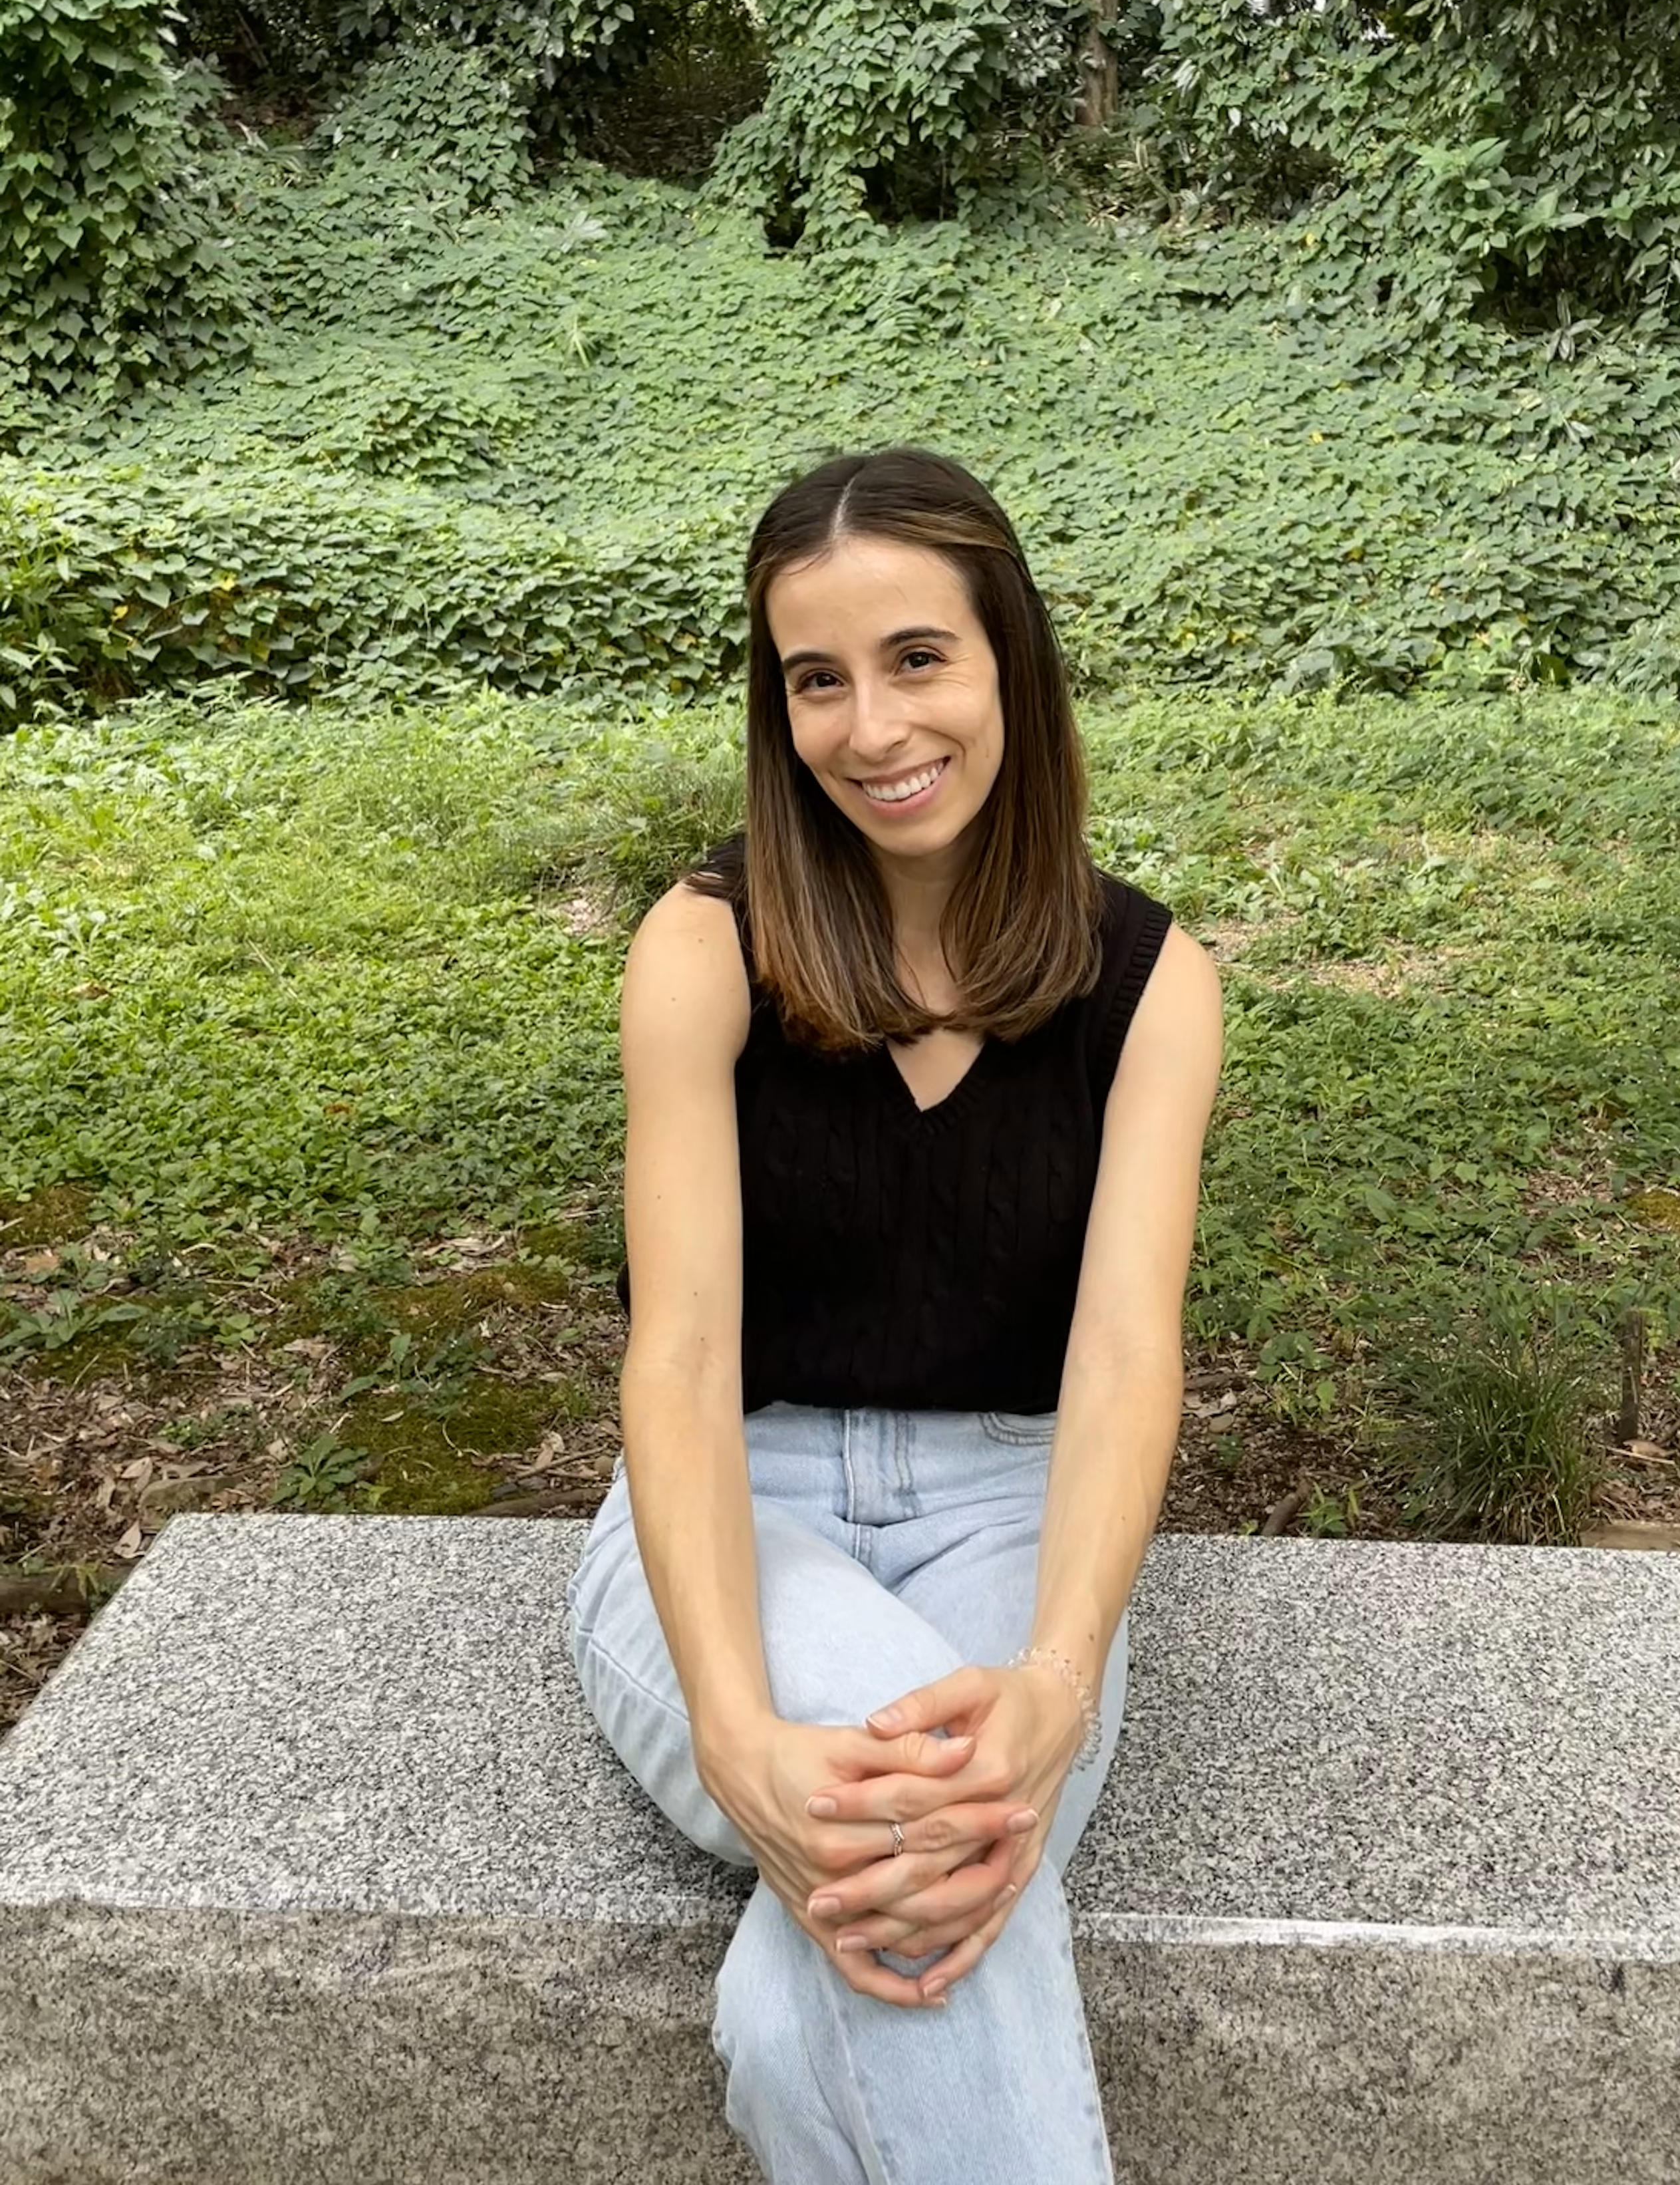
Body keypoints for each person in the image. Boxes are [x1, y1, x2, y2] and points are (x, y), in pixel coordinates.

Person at [563, 446, 1223, 2183]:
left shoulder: (1153, 986)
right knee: (918, 1835)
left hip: (1023, 1511)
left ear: (1013, 658)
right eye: (817, 680)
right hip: (729, 1518)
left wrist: (1062, 1674)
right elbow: (683, 1365)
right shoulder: (703, 951)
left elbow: (1124, 1355)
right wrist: (731, 1727)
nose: (872, 727)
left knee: (838, 1974)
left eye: (919, 658)